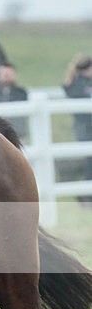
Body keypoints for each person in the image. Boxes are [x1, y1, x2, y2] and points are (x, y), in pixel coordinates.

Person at [63, 54, 92, 204]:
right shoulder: (78, 84)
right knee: (89, 161)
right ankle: (85, 194)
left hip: (85, 127)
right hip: (85, 128)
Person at [0, 63, 29, 140]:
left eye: (9, 74)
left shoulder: (21, 92)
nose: (6, 77)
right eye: (4, 75)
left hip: (18, 132)